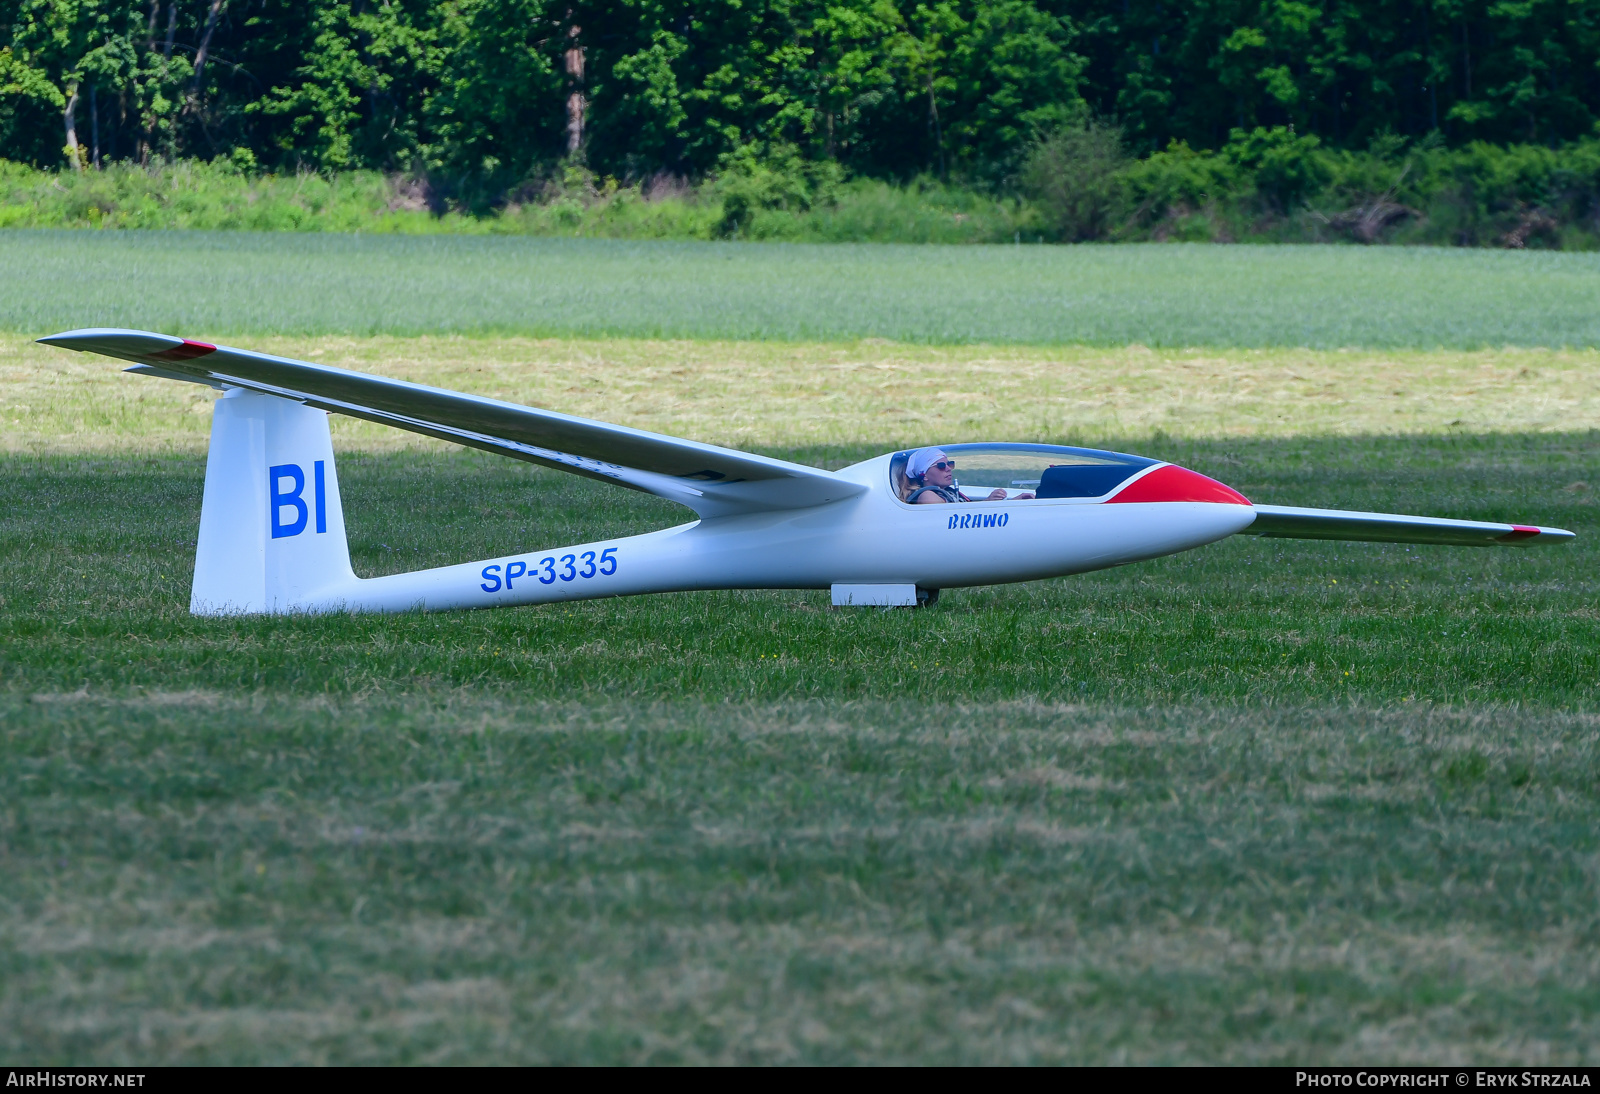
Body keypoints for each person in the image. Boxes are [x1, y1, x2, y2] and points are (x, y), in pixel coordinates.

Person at [904, 447, 1029, 503]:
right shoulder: (928, 497)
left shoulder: (948, 492)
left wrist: (1014, 501)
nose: (948, 469)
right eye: (941, 466)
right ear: (924, 475)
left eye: (950, 464)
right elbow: (958, 523)